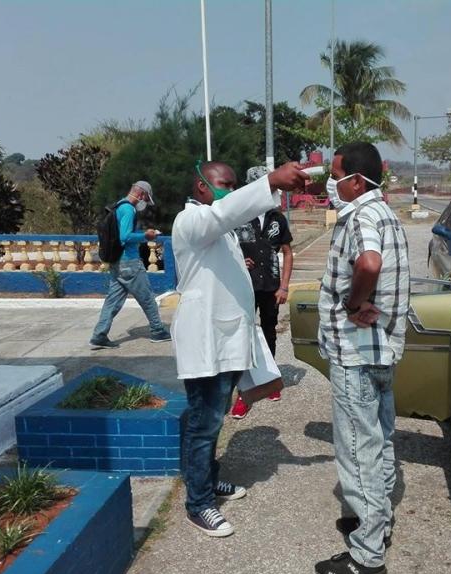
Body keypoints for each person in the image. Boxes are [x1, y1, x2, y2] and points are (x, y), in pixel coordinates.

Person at [172, 160, 309, 537]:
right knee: (204, 423)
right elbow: (223, 214)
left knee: (211, 421)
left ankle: (207, 481)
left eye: (234, 185)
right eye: (223, 184)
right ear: (201, 186)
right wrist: (269, 181)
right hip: (206, 342)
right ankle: (198, 504)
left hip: (226, 340)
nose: (229, 191)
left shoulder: (221, 228)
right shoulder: (192, 221)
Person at [314, 142, 410, 574]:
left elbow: (368, 263)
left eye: (335, 175)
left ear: (355, 180)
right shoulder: (387, 214)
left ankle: (367, 554)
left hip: (356, 352)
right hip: (381, 348)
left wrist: (355, 302)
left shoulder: (362, 217)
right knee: (381, 440)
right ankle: (377, 524)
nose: (330, 183)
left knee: (358, 452)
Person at [230, 165, 294, 419]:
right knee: (242, 335)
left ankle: (269, 381)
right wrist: (237, 260)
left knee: (269, 331)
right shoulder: (236, 217)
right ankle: (242, 393)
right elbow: (223, 249)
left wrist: (285, 285)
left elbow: (287, 252)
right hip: (243, 288)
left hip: (270, 286)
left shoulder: (277, 218)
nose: (273, 192)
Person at [90, 181, 171, 348]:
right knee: (147, 297)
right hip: (130, 262)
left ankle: (99, 334)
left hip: (118, 262)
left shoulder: (119, 206)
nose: (146, 204)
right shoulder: (128, 209)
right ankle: (157, 331)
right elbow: (125, 237)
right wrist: (146, 236)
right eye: (147, 199)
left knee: (113, 301)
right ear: (141, 194)